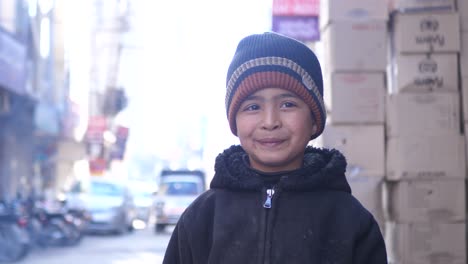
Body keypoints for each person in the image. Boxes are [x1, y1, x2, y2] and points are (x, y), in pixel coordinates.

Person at [163, 32, 388, 264]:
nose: (270, 121)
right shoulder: (202, 218)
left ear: (313, 120)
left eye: (288, 104)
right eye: (252, 107)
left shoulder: (349, 220)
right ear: (235, 122)